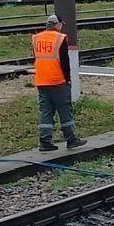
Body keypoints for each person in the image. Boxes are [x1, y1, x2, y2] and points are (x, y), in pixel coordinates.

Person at [31, 13, 86, 152]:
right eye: (61, 25)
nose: (61, 27)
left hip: (41, 81)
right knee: (65, 110)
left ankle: (45, 141)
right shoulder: (59, 38)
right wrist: (68, 80)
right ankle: (71, 139)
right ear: (57, 25)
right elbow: (65, 63)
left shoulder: (37, 38)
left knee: (46, 111)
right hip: (57, 81)